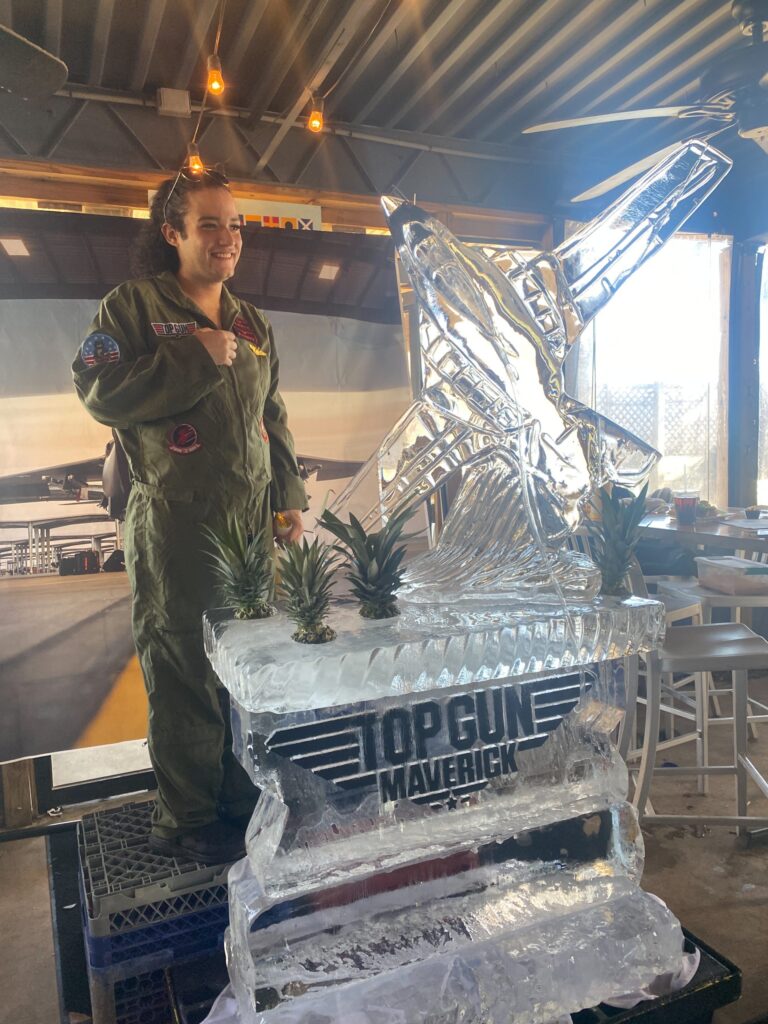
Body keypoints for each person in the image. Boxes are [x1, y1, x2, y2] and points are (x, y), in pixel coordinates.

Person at [72, 168, 306, 864]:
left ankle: (239, 799)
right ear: (172, 233)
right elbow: (97, 389)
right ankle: (187, 818)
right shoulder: (132, 308)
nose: (227, 237)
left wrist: (287, 497)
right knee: (183, 669)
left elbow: (272, 414)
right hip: (175, 524)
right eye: (210, 224)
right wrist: (190, 356)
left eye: (235, 225)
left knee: (247, 665)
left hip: (249, 526)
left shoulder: (250, 321)